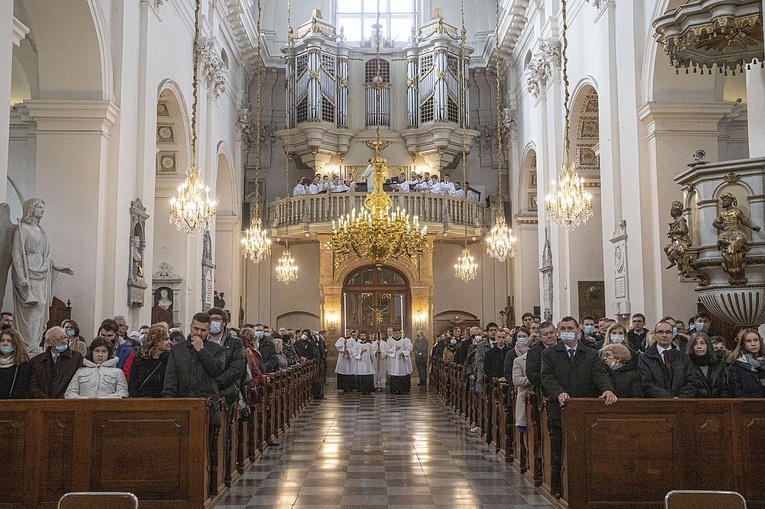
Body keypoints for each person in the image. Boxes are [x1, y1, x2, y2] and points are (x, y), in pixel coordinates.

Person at [541, 316, 617, 499]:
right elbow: (547, 377)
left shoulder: (590, 354)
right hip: (559, 409)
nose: (567, 332)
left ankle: (584, 486)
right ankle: (557, 485)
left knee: (584, 450)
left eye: (570, 328)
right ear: (559, 332)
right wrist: (559, 392)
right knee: (558, 450)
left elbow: (599, 374)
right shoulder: (550, 353)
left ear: (578, 330)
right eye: (563, 328)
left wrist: (607, 390)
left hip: (583, 411)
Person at [11, 198, 74, 355]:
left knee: (40, 308)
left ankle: (34, 342)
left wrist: (58, 267)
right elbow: (17, 253)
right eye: (39, 207)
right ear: (31, 209)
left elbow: (45, 255)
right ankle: (26, 344)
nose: (42, 210)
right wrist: (21, 276)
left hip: (43, 272)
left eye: (43, 207)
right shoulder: (22, 229)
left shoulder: (41, 230)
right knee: (32, 308)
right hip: (28, 272)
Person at [163, 313, 226, 424]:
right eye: (196, 329)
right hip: (182, 404)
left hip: (207, 407)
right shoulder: (177, 349)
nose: (199, 333)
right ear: (191, 326)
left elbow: (216, 370)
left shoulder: (217, 349)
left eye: (203, 330)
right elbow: (170, 378)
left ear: (208, 330)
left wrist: (202, 350)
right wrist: (169, 402)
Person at [637, 320, 696, 398]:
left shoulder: (683, 357)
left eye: (668, 332)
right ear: (655, 335)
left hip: (682, 404)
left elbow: (691, 382)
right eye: (660, 332)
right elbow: (646, 383)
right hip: (656, 404)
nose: (664, 335)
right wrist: (669, 398)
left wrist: (681, 398)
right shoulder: (645, 358)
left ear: (673, 335)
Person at [28, 326, 84, 398]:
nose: (64, 341)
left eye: (65, 337)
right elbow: (33, 385)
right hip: (42, 404)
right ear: (49, 342)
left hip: (66, 403)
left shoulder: (77, 358)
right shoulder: (37, 361)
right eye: (59, 339)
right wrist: (46, 402)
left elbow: (78, 383)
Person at [64, 337, 128, 398]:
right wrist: (86, 401)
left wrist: (102, 401)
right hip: (84, 408)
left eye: (104, 351)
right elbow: (69, 393)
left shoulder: (118, 372)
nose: (100, 355)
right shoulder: (80, 371)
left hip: (108, 408)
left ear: (109, 353)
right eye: (97, 351)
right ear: (92, 353)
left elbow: (123, 394)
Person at [128, 324, 171, 398]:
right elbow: (133, 381)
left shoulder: (170, 359)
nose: (169, 342)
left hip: (162, 402)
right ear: (156, 340)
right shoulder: (140, 358)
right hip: (141, 401)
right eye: (166, 339)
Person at [687, 331, 729, 398]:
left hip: (718, 404)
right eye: (695, 344)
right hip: (695, 405)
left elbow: (724, 388)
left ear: (708, 345)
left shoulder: (718, 363)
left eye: (702, 343)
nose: (699, 346)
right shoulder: (687, 365)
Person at [729, 328, 765, 398]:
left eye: (756, 340)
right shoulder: (736, 365)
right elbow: (736, 391)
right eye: (749, 341)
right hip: (747, 405)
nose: (753, 344)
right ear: (743, 344)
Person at [0, 329, 31, 398]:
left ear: (16, 343)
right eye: (2, 340)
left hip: (13, 403)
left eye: (9, 341)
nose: (5, 343)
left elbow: (21, 387)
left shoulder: (22, 364)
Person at [387, 328, 413, 394]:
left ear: (400, 334)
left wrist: (404, 353)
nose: (396, 335)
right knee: (394, 375)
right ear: (393, 334)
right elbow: (387, 350)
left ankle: (402, 389)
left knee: (402, 375)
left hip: (402, 361)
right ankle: (395, 389)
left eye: (398, 333)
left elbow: (408, 349)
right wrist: (394, 349)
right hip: (394, 361)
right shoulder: (390, 341)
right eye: (395, 333)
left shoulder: (404, 341)